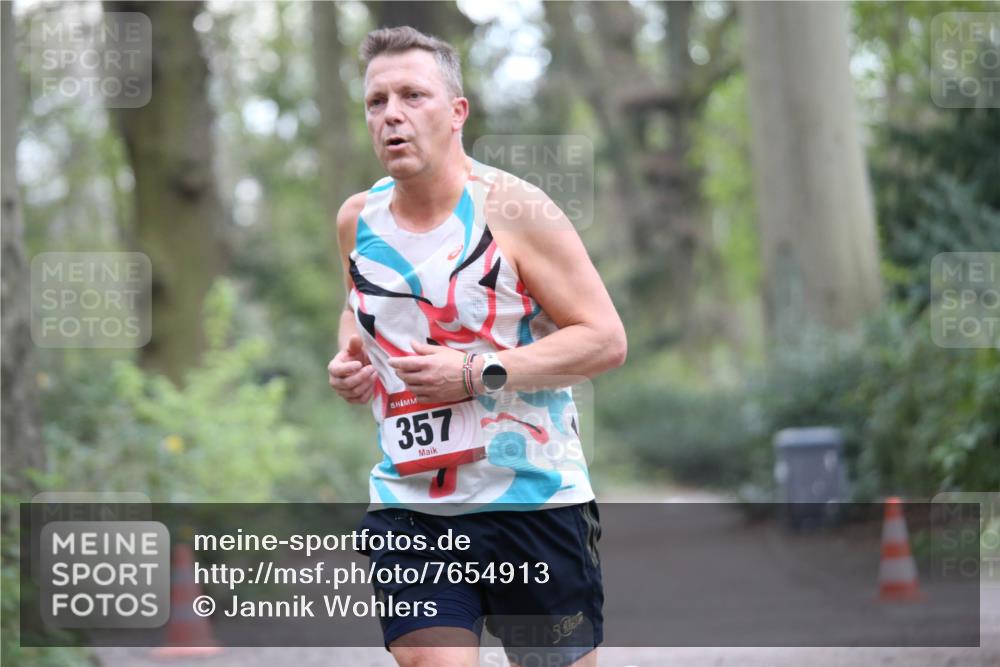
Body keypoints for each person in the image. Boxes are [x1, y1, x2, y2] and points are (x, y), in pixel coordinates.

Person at [327, 25, 627, 667]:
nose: (393, 115)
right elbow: (358, 308)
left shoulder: (517, 210)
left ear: (457, 112)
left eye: (414, 95)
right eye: (377, 102)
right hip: (412, 506)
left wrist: (476, 373)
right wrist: (350, 360)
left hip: (532, 500)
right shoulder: (358, 219)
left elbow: (604, 340)